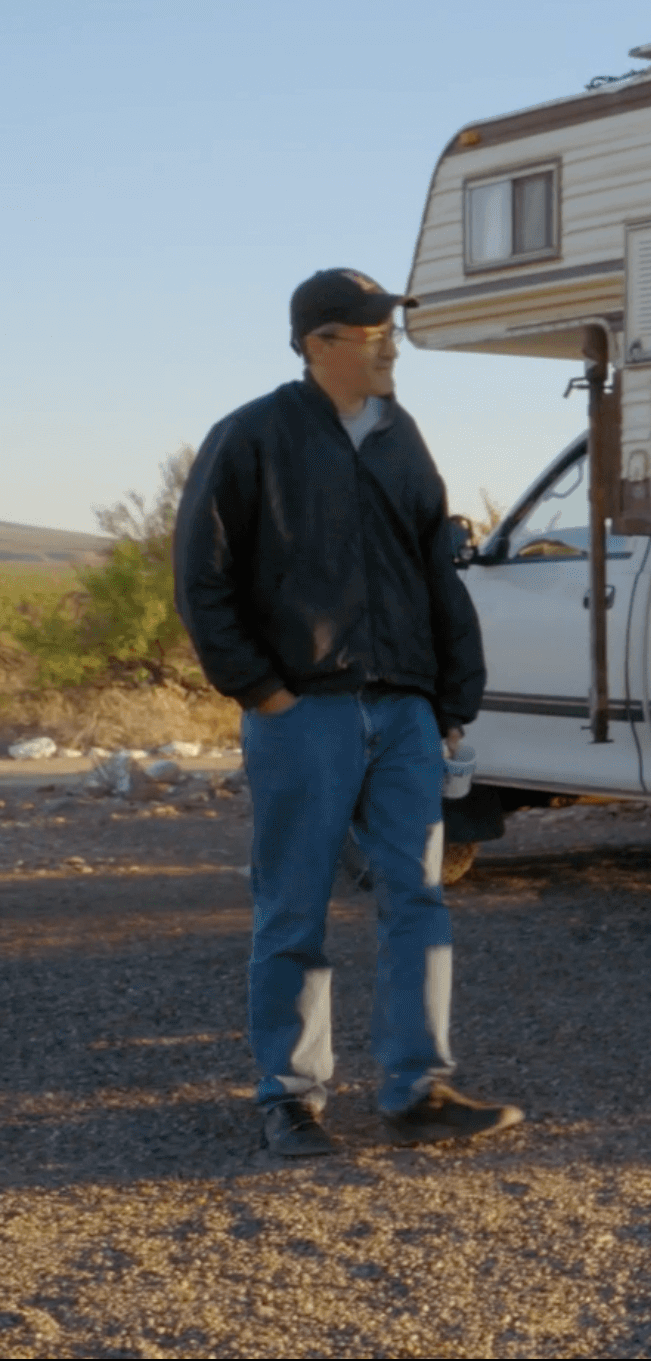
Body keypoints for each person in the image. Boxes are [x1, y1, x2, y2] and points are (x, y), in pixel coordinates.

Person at [173, 268, 523, 1157]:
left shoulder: (401, 437)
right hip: (305, 712)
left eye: (390, 334)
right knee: (293, 907)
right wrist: (263, 691)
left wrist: (449, 697)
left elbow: (432, 568)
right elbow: (201, 579)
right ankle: (291, 1098)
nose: (390, 348)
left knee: (418, 897)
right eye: (373, 337)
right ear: (319, 343)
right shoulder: (250, 436)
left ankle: (418, 1092)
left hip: (402, 708)